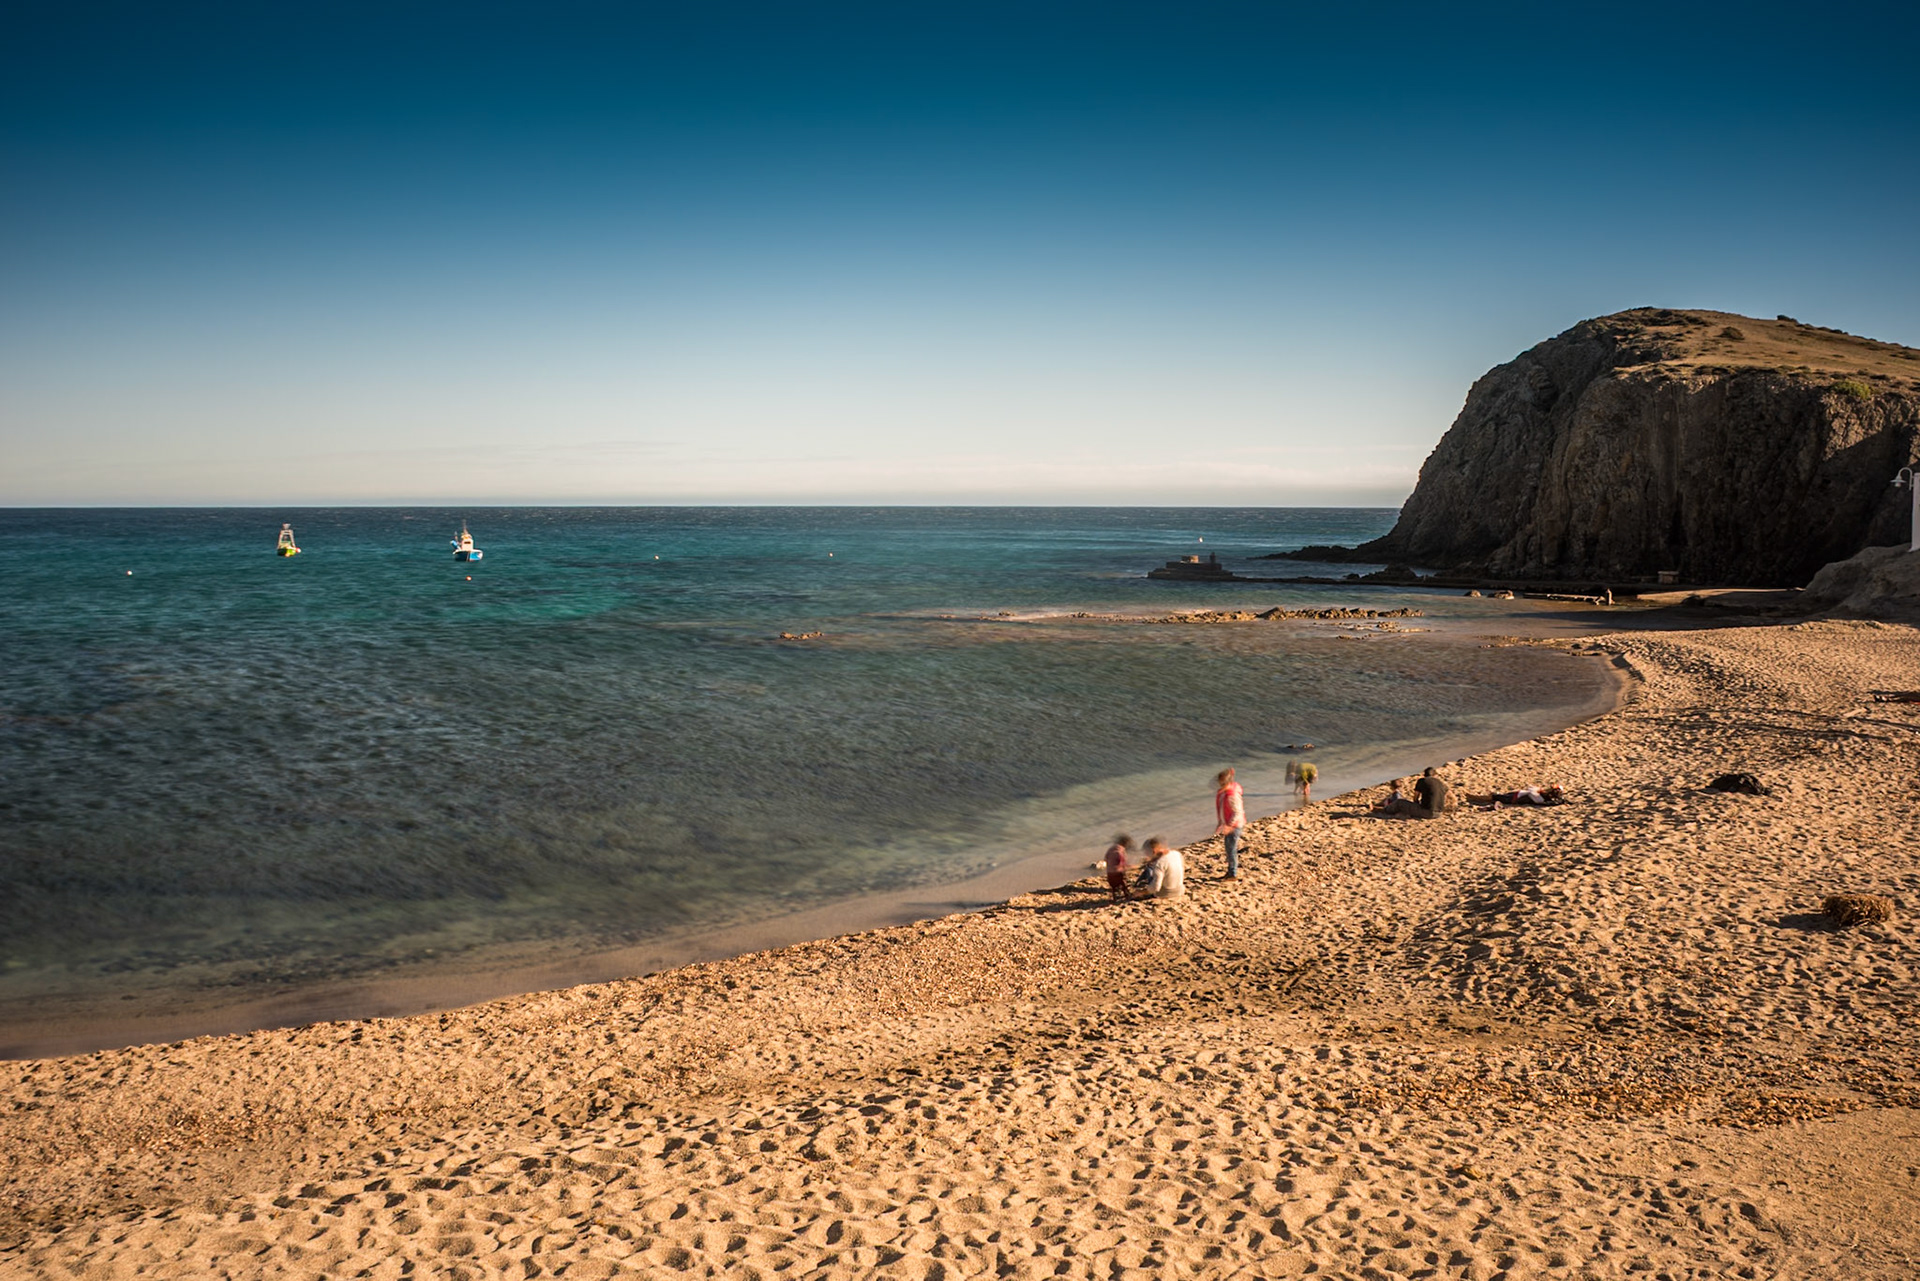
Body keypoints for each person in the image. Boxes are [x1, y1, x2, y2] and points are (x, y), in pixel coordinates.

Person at [1213, 768, 1246, 879]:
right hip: (1228, 825)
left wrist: (1229, 825)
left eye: (1222, 784)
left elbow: (1238, 812)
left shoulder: (1232, 795)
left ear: (1228, 783)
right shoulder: (1225, 792)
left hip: (1235, 826)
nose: (1220, 786)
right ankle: (1231, 871)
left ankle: (1233, 873)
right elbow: (1222, 808)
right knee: (1228, 848)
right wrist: (1220, 823)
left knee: (1231, 849)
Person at [1463, 785, 1565, 806]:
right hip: (1516, 794)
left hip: (1514, 798)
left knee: (1494, 797)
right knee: (1496, 796)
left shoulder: (1539, 798)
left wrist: (1539, 789)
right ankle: (1474, 797)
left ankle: (1473, 797)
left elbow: (1531, 789)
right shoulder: (1541, 796)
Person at [1103, 834, 1135, 903]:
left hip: (1109, 873)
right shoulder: (1121, 850)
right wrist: (1127, 867)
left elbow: (1105, 859)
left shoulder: (1111, 849)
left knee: (1114, 887)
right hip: (1117, 872)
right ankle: (1126, 894)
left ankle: (1115, 897)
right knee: (1123, 884)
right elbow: (1122, 861)